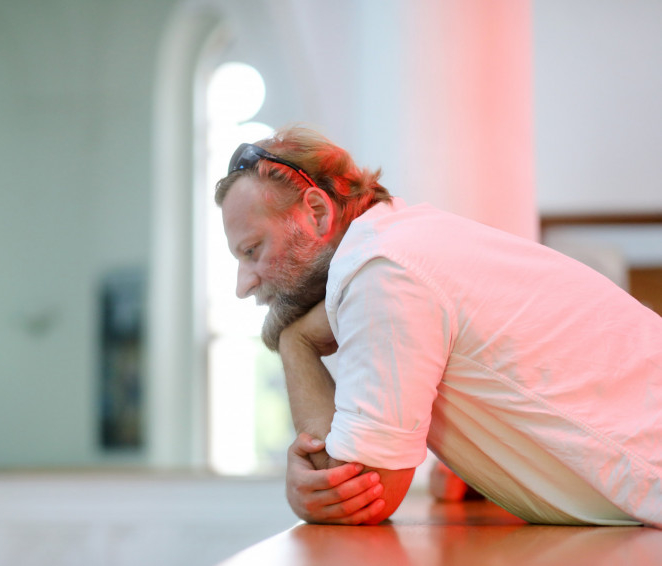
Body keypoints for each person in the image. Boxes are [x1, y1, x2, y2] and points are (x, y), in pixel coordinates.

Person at [214, 125, 662, 527]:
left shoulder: (381, 271)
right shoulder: (408, 240)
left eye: (252, 250)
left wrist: (295, 342)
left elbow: (356, 492)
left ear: (316, 212)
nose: (243, 285)